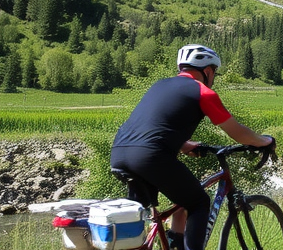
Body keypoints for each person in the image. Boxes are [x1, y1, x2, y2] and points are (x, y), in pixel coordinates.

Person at [111, 44, 274, 250]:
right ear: (208, 71)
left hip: (121, 152)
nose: (214, 78)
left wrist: (183, 145)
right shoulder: (203, 92)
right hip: (151, 156)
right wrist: (264, 141)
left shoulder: (159, 85)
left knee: (149, 213)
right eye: (215, 73)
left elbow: (152, 126)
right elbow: (238, 133)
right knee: (198, 203)